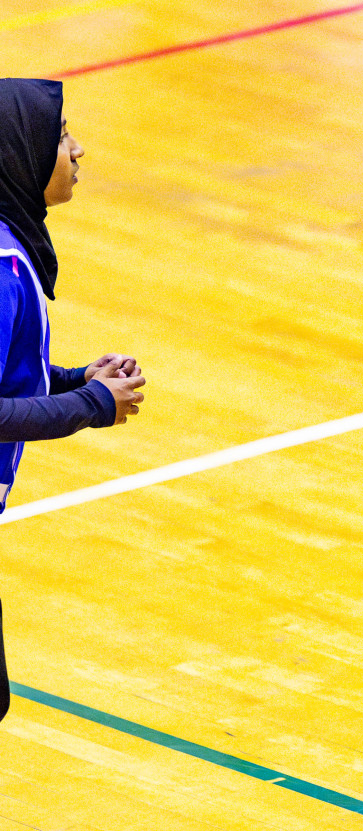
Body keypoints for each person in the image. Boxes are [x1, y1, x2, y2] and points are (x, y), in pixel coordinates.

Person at [0, 79, 147, 721]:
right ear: (21, 152)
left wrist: (76, 377)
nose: (77, 149)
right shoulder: (2, 272)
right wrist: (92, 404)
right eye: (61, 136)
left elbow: (11, 377)